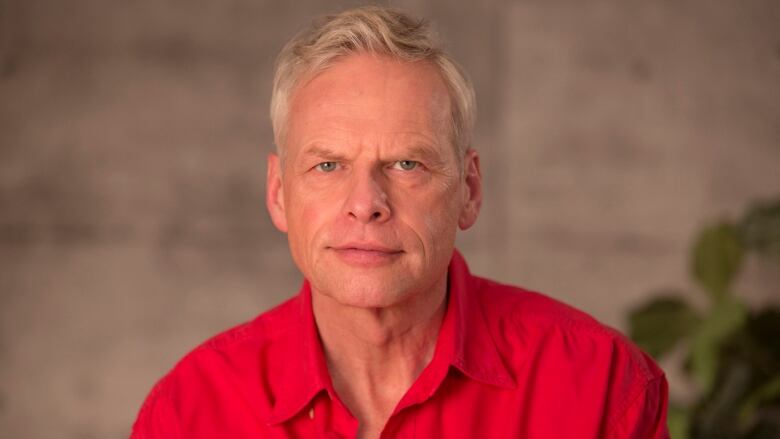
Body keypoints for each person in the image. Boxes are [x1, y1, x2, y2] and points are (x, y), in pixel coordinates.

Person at [131, 6, 669, 438]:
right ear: (278, 193)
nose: (366, 203)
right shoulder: (188, 414)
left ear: (470, 189)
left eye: (406, 164)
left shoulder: (602, 388)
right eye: (328, 165)